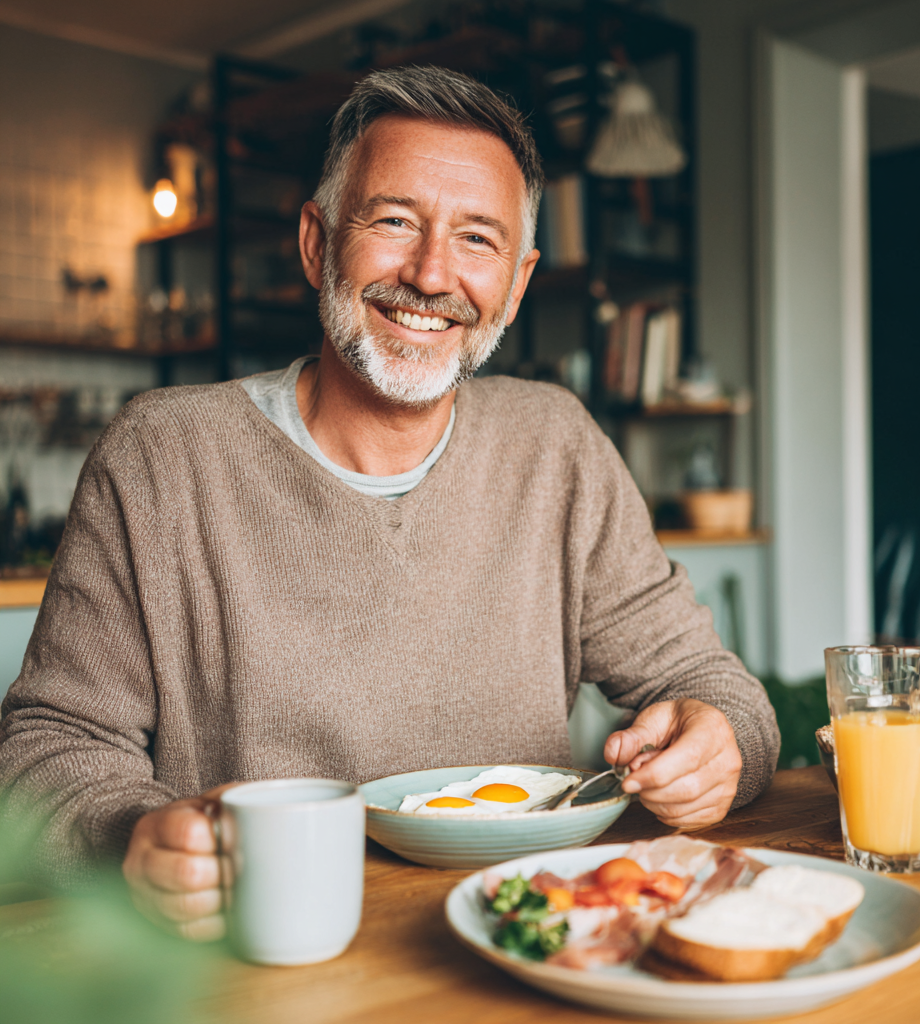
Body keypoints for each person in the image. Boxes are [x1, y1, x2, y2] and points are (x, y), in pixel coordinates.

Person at [0, 66, 779, 939]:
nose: (431, 273)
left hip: (525, 950)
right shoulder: (162, 457)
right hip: (267, 957)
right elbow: (45, 744)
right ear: (317, 242)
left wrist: (722, 746)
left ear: (517, 284)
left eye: (477, 239)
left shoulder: (555, 443)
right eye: (395, 221)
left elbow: (714, 688)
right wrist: (128, 840)